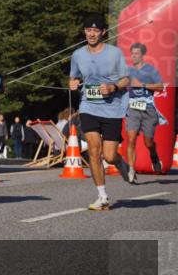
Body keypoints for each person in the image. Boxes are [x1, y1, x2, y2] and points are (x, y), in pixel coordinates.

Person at [68, 13, 132, 210]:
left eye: (96, 30)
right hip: (89, 106)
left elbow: (126, 79)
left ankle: (122, 164)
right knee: (94, 150)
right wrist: (73, 83)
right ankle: (102, 196)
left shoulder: (115, 53)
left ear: (103, 32)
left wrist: (113, 87)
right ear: (84, 32)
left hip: (112, 109)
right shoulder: (78, 55)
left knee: (109, 156)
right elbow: (74, 78)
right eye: (89, 30)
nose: (92, 34)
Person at [125, 41, 165, 178]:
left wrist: (142, 85)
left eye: (137, 54)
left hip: (148, 108)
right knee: (131, 139)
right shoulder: (127, 70)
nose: (134, 56)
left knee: (148, 142)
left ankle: (154, 157)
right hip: (132, 108)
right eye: (132, 53)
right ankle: (131, 169)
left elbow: (160, 87)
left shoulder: (151, 70)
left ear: (143, 55)